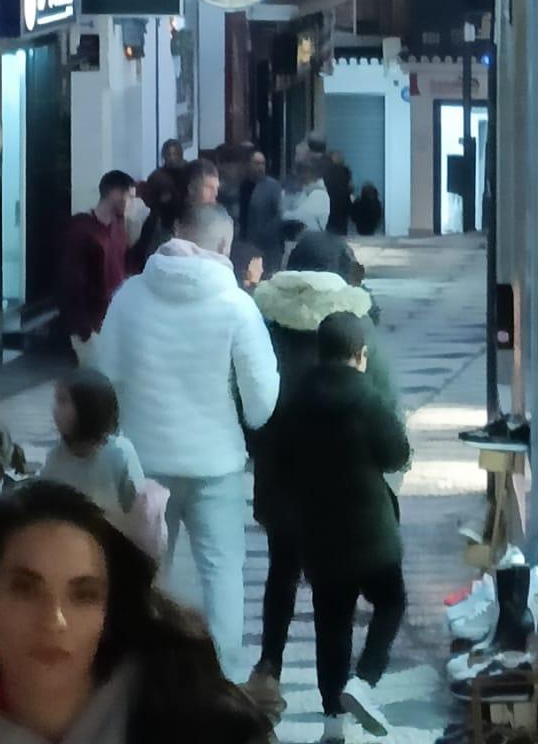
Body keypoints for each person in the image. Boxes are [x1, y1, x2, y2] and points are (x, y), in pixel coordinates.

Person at [0, 483, 268, 744]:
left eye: (84, 596)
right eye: (25, 589)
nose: (54, 620)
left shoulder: (197, 724)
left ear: (109, 614)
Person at [94, 202, 280, 680]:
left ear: (177, 233)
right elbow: (262, 400)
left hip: (145, 464)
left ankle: (148, 677)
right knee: (222, 573)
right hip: (216, 465)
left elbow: (103, 379)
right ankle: (223, 680)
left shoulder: (129, 296)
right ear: (223, 245)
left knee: (148, 573)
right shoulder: (236, 305)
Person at [244, 256, 402, 720]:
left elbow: (255, 415)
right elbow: (393, 442)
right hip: (361, 517)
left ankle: (281, 676)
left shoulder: (269, 335)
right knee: (385, 600)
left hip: (298, 505)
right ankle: (362, 681)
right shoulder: (362, 365)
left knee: (306, 596)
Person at [280, 313, 411, 742]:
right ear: (360, 355)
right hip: (371, 531)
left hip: (320, 534)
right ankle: (365, 679)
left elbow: (282, 462)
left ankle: (333, 721)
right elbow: (396, 454)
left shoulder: (296, 398)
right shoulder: (368, 399)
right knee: (390, 602)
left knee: (331, 624)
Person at [41, 368, 146, 523]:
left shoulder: (119, 454)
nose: (55, 410)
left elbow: (140, 510)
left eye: (63, 401)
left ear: (87, 407)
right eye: (56, 400)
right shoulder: (56, 457)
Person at [60, 170, 138, 364]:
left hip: (112, 318)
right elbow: (71, 281)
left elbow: (123, 265)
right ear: (114, 193)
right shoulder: (81, 229)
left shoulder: (119, 225)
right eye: (129, 197)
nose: (131, 203)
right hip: (90, 322)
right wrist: (83, 330)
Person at [242, 150, 285, 275]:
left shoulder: (273, 187)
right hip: (244, 244)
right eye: (256, 163)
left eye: (262, 164)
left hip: (267, 247)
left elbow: (279, 214)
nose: (260, 167)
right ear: (248, 164)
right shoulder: (242, 185)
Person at [280, 157, 332, 244]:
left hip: (313, 242)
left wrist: (284, 214)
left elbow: (301, 216)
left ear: (308, 173)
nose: (297, 177)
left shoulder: (319, 193)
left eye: (299, 173)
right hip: (301, 241)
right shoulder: (303, 190)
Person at [325, 151, 354, 237]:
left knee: (331, 224)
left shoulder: (327, 171)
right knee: (342, 224)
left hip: (331, 200)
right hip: (343, 201)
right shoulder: (346, 170)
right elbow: (349, 186)